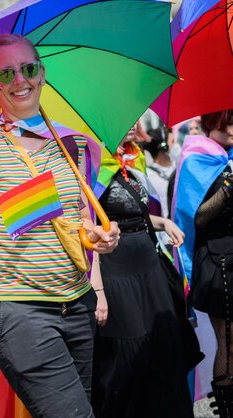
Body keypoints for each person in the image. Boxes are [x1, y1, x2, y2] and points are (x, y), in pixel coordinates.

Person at [0, 34, 119, 418]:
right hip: (15, 309)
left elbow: (79, 219)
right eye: (7, 73)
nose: (20, 80)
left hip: (76, 303)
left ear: (42, 74)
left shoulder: (70, 143)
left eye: (28, 69)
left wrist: (98, 238)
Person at [91, 125, 197, 417]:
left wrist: (163, 222)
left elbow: (133, 212)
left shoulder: (133, 160)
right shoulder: (91, 164)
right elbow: (83, 221)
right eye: (122, 121)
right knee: (128, 354)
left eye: (133, 120)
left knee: (163, 348)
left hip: (148, 265)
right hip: (115, 268)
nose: (132, 126)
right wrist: (98, 288)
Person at [173, 109, 233, 417]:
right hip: (216, 261)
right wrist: (228, 187)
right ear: (212, 123)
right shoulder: (197, 158)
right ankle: (226, 406)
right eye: (229, 122)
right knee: (228, 339)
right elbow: (196, 216)